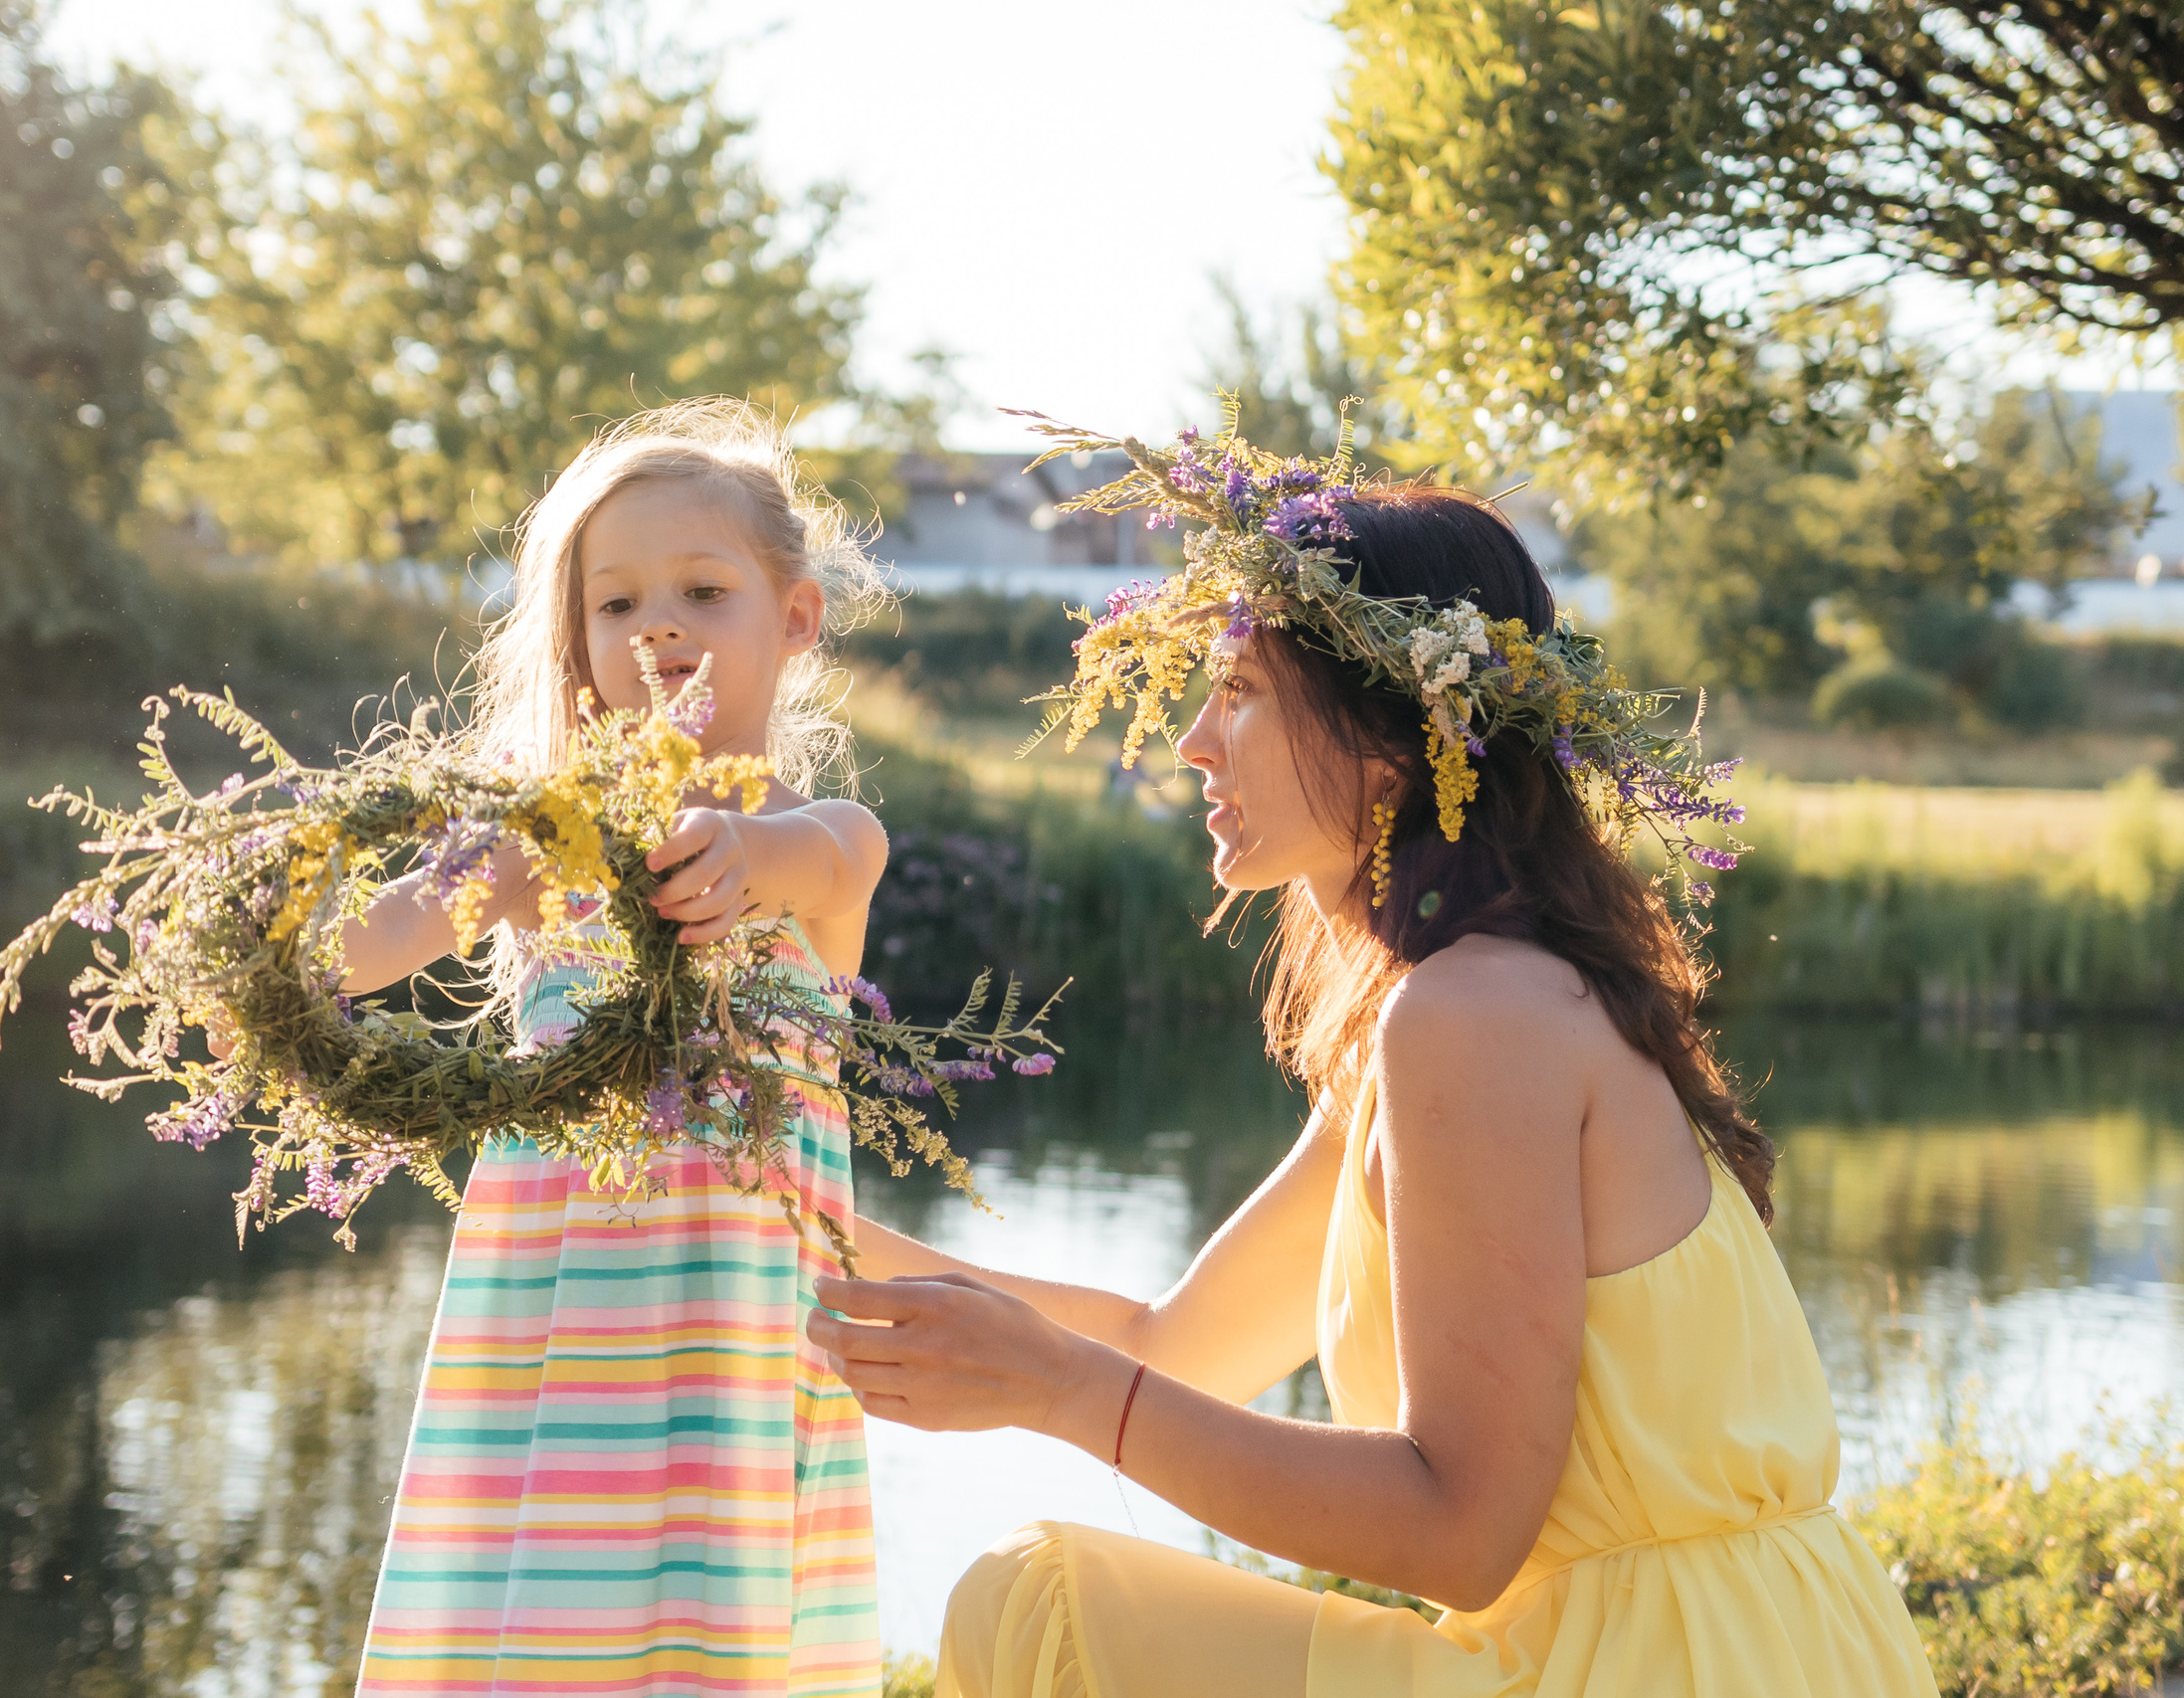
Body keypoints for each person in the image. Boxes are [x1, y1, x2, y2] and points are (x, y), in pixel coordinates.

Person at [810, 478, 1938, 1696]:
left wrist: (1063, 1392)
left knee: (1041, 1603)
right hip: (1722, 1649)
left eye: (1239, 694)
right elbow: (1175, 1347)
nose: (1191, 741)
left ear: (1393, 743)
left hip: (1664, 1668)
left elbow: (1460, 1531)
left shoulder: (1476, 1017)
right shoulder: (1461, 1011)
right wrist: (792, 1228)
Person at [346, 401, 890, 1696]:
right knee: (542, 1642)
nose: (659, 625)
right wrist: (247, 962)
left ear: (796, 617)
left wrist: (739, 850)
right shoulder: (544, 858)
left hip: (736, 1352)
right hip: (554, 1350)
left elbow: (788, 861)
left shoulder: (827, 846)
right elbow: (363, 948)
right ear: (580, 648)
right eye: (617, 603)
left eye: (705, 589)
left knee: (717, 1650)